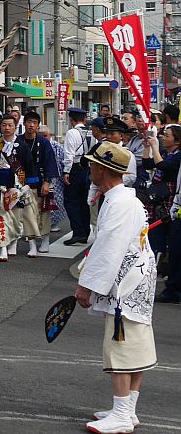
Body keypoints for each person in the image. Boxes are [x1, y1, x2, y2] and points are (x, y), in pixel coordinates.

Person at [77, 141, 157, 434]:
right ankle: (127, 409)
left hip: (127, 284)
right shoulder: (123, 199)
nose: (90, 168)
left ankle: (122, 413)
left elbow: (109, 248)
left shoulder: (119, 203)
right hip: (137, 279)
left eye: (92, 164)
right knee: (136, 345)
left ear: (102, 169)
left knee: (122, 347)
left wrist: (86, 286)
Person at [0, 114, 29, 262]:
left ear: (15, 127)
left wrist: (30, 185)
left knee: (16, 218)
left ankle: (13, 241)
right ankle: (2, 247)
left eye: (10, 125)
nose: (7, 128)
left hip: (16, 186)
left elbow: (29, 166)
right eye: (4, 125)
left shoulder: (22, 146)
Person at [144, 125, 181, 303]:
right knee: (166, 243)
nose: (163, 138)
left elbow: (162, 165)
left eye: (167, 135)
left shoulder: (177, 157)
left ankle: (173, 289)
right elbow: (148, 164)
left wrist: (154, 146)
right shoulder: (169, 154)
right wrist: (147, 146)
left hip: (172, 203)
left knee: (175, 248)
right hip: (169, 204)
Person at [17, 110, 59, 256]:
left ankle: (45, 239)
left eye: (34, 123)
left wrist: (47, 182)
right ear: (24, 124)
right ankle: (32, 244)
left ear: (38, 126)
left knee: (44, 212)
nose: (31, 125)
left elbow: (50, 163)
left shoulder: (44, 142)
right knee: (27, 213)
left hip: (41, 181)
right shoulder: (18, 141)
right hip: (23, 182)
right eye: (29, 122)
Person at [63, 107, 95, 245]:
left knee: (71, 201)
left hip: (75, 168)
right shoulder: (92, 132)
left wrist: (66, 171)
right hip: (88, 169)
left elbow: (69, 154)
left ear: (72, 119)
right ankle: (85, 232)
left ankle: (77, 232)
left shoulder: (72, 132)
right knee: (84, 201)